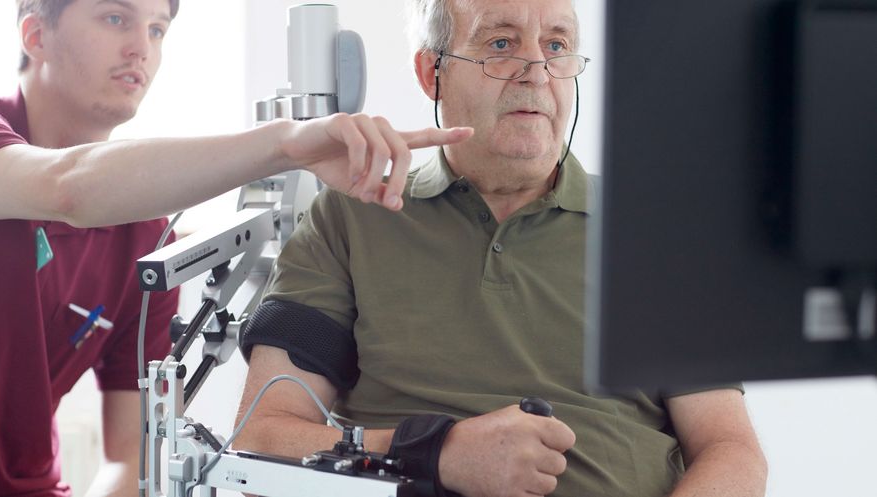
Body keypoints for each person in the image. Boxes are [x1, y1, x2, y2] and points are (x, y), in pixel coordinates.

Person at [0, 0, 471, 495]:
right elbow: (67, 188)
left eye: (158, 28)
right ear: (35, 34)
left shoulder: (144, 236)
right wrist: (285, 146)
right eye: (115, 18)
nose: (141, 47)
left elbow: (128, 455)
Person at [234, 0, 768, 496]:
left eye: (556, 46)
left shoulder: (658, 231)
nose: (536, 69)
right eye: (501, 44)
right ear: (431, 73)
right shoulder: (349, 217)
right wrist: (435, 452)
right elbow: (262, 437)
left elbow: (731, 450)